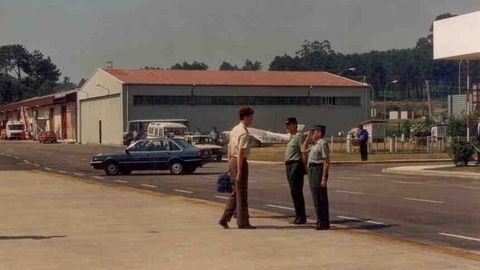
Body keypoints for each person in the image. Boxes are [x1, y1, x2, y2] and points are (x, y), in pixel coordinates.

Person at [219, 107, 256, 229]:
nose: (251, 119)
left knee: (236, 192)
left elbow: (229, 147)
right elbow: (241, 152)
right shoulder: (243, 133)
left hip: (233, 161)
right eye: (250, 117)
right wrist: (240, 171)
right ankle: (243, 221)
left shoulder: (235, 129)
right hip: (240, 161)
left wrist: (230, 161)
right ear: (245, 117)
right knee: (242, 193)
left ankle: (225, 218)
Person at [302, 125, 331, 230]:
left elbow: (326, 161)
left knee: (320, 197)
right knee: (315, 196)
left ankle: (323, 222)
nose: (312, 133)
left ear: (319, 132)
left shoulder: (323, 143)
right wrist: (307, 138)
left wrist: (323, 177)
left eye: (314, 132)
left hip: (318, 169)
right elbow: (303, 150)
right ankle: (320, 221)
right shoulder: (315, 144)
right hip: (312, 169)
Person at [284, 117, 306, 225]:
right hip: (289, 165)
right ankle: (298, 215)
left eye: (288, 124)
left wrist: (304, 166)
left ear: (294, 125)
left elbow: (303, 152)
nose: (286, 127)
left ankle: (301, 216)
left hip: (296, 165)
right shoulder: (292, 137)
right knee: (293, 191)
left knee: (297, 191)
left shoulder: (299, 136)